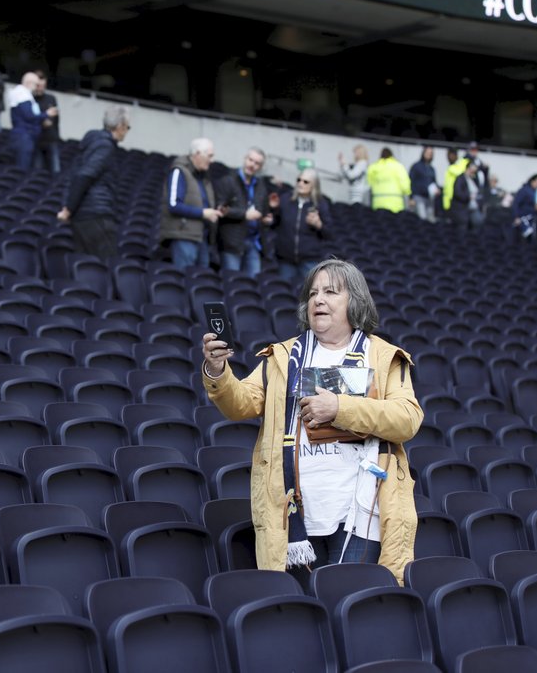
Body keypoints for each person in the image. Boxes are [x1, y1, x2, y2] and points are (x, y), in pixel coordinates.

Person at [200, 258, 422, 588]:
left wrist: (339, 407)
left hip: (362, 512)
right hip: (295, 517)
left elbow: (406, 419)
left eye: (331, 291)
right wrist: (217, 371)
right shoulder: (284, 356)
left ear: (355, 301)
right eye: (313, 292)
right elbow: (240, 404)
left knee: (349, 605)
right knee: (306, 615)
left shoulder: (383, 355)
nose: (318, 299)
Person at [57, 106, 131, 259]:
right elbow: (85, 175)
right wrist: (68, 209)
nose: (127, 131)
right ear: (120, 126)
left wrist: (69, 207)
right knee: (104, 267)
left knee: (87, 266)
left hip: (84, 213)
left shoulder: (93, 144)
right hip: (96, 213)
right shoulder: (105, 146)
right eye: (127, 127)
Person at [214, 147, 279, 276]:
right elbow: (220, 209)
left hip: (254, 242)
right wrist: (245, 215)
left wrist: (268, 218)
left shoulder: (260, 185)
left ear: (260, 167)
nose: (252, 165)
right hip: (232, 242)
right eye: (251, 160)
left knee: (251, 286)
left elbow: (263, 211)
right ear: (245, 159)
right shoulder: (228, 180)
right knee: (231, 282)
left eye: (257, 163)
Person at [160, 137, 219, 269]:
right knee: (184, 279)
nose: (212, 160)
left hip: (201, 237)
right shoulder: (178, 171)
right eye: (209, 156)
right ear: (197, 154)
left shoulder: (203, 177)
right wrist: (203, 213)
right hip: (184, 236)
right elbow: (174, 205)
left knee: (200, 281)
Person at [268, 167, 331, 283]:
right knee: (283, 293)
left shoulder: (321, 204)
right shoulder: (285, 199)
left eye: (305, 181)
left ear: (313, 185)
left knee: (307, 296)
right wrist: (273, 210)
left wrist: (318, 224)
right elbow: (274, 224)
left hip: (309, 260)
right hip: (285, 260)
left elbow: (329, 234)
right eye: (298, 180)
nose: (300, 183)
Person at [6, 71, 57, 170]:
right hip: (24, 136)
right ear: (29, 83)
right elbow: (29, 116)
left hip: (27, 137)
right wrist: (47, 114)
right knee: (22, 168)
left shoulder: (23, 94)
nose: (37, 87)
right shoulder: (22, 94)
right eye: (36, 84)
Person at [32, 70, 61, 175]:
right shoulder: (30, 99)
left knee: (56, 171)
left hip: (51, 139)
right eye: (38, 86)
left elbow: (54, 120)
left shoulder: (51, 98)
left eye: (43, 85)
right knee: (37, 171)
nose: (40, 88)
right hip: (37, 140)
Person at [366, 148, 411, 213]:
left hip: (378, 203)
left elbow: (369, 183)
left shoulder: (373, 167)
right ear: (392, 155)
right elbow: (405, 185)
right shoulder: (398, 166)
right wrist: (408, 193)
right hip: (396, 204)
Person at [408, 146, 438, 223]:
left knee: (431, 221)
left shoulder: (432, 169)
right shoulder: (416, 166)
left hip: (429, 199)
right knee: (422, 220)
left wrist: (437, 190)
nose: (429, 155)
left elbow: (434, 182)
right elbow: (411, 182)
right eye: (428, 153)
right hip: (418, 197)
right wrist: (411, 197)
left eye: (431, 153)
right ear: (423, 153)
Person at [509, 174, 537, 245]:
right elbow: (516, 203)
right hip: (523, 218)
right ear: (533, 181)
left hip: (532, 219)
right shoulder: (524, 190)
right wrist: (516, 216)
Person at [451, 159, 484, 230]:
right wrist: (468, 196)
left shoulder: (473, 180)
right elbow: (457, 193)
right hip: (462, 210)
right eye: (472, 171)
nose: (473, 173)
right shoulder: (460, 178)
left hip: (472, 209)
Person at [441, 148, 467, 219]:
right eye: (449, 155)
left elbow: (460, 170)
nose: (450, 157)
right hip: (448, 203)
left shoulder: (456, 168)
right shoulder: (450, 168)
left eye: (453, 155)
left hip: (456, 202)